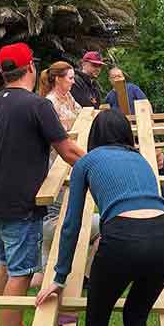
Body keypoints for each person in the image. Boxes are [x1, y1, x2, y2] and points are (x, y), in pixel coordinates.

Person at [36, 109, 164, 326]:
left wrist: (59, 277)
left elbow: (71, 225)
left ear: (95, 135)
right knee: (136, 321)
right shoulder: (140, 160)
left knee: (98, 321)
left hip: (122, 240)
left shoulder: (86, 162)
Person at [0, 43, 84, 326]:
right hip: (21, 204)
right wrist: (103, 164)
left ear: (3, 71)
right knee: (21, 273)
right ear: (29, 69)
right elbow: (67, 150)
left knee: (5, 265)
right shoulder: (38, 106)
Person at [34, 60, 101, 289]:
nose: (73, 82)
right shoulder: (49, 103)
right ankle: (46, 272)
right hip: (56, 166)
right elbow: (59, 137)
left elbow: (83, 116)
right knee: (56, 214)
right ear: (57, 79)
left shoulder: (68, 98)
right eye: (70, 78)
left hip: (71, 162)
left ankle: (52, 271)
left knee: (66, 212)